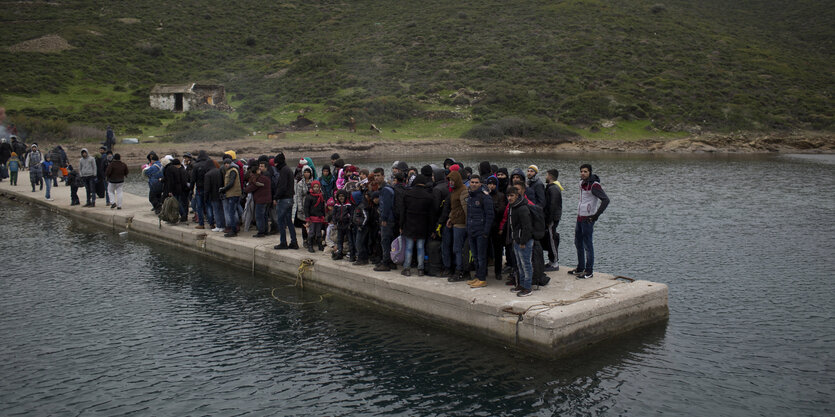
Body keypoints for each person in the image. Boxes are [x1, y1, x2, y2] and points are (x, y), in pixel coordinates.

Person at [570, 164, 610, 279]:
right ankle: (580, 267)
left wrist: (596, 215)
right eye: (581, 171)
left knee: (588, 245)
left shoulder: (594, 185)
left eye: (585, 172)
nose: (583, 173)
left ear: (590, 172)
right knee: (578, 243)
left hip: (588, 219)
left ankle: (589, 271)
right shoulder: (581, 183)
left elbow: (606, 200)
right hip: (579, 217)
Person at [399, 175, 434, 276]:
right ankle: (420, 269)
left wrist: (401, 225)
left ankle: (407, 268)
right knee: (420, 247)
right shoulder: (428, 196)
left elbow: (402, 212)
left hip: (409, 223)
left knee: (409, 247)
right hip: (423, 225)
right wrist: (432, 229)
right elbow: (431, 215)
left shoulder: (407, 194)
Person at [464, 174, 494, 288]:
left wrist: (485, 232)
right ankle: (477, 276)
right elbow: (469, 215)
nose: (474, 184)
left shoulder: (485, 197)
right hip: (471, 230)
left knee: (481, 257)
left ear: (480, 184)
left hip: (481, 231)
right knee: (475, 256)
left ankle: (482, 279)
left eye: (476, 182)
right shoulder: (470, 196)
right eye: (472, 182)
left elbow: (490, 215)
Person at [506, 186, 534, 297]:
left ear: (517, 195)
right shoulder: (513, 207)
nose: (509, 198)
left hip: (524, 242)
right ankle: (521, 284)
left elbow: (527, 227)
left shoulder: (522, 208)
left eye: (511, 195)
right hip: (516, 240)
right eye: (508, 196)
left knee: (526, 265)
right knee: (519, 265)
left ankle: (528, 287)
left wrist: (523, 241)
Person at [445, 170, 468, 281]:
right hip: (456, 222)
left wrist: (468, 224)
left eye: (452, 180)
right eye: (449, 180)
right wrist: (450, 218)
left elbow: (466, 209)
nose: (451, 182)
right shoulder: (454, 191)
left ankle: (459, 271)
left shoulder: (463, 191)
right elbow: (455, 208)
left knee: (458, 249)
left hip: (461, 224)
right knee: (458, 249)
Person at [272, 152, 298, 250]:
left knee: (281, 222)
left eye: (275, 163)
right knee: (289, 222)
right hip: (290, 199)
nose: (275, 165)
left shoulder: (283, 171)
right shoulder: (288, 170)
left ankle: (283, 242)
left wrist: (275, 197)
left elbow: (282, 187)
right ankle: (294, 242)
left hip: (283, 200)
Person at [486, 175, 507, 281]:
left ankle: (498, 272)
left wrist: (490, 206)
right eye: (489, 184)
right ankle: (483, 271)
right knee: (484, 249)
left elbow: (501, 211)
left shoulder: (501, 196)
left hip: (496, 226)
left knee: (498, 251)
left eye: (493, 184)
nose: (491, 186)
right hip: (486, 227)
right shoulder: (484, 195)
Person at [543, 169, 564, 271]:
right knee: (550, 238)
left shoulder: (553, 189)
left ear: (550, 176)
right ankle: (551, 261)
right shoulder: (552, 187)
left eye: (546, 175)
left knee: (552, 239)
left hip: (552, 218)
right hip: (552, 217)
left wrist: (548, 220)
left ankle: (555, 263)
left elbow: (553, 205)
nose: (545, 177)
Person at [244, 164, 271, 238]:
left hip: (260, 200)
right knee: (265, 216)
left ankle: (261, 232)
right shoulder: (266, 178)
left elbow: (249, 189)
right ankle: (265, 231)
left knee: (259, 216)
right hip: (268, 199)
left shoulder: (257, 180)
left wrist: (246, 188)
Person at [219, 158, 242, 237]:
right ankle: (234, 228)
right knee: (233, 211)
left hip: (233, 194)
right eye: (224, 163)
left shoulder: (232, 170)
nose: (226, 164)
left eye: (227, 163)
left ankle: (233, 230)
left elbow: (231, 183)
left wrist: (223, 189)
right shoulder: (230, 170)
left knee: (231, 212)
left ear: (230, 163)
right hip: (232, 194)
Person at [303, 180, 327, 252]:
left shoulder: (321, 196)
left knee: (319, 232)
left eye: (317, 187)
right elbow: (306, 208)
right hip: (312, 218)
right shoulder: (309, 197)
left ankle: (320, 245)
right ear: (312, 187)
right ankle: (310, 245)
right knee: (312, 232)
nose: (316, 188)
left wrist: (323, 215)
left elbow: (323, 207)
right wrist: (307, 218)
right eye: (314, 187)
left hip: (319, 217)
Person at [163, 158, 189, 222]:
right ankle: (184, 216)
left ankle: (183, 215)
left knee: (178, 203)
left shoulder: (173, 170)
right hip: (181, 189)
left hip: (178, 190)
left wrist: (170, 191)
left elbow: (171, 182)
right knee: (182, 203)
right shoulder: (182, 170)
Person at [330, 189, 354, 260]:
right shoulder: (336, 205)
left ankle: (352, 255)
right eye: (339, 196)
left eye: (342, 196)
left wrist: (350, 223)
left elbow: (352, 215)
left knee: (350, 240)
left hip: (347, 225)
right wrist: (335, 223)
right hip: (339, 225)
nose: (341, 198)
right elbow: (333, 215)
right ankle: (339, 253)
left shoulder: (348, 205)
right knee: (339, 240)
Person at [204, 161, 226, 232]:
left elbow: (207, 188)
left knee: (216, 211)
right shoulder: (219, 171)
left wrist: (205, 197)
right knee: (221, 211)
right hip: (221, 194)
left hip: (213, 195)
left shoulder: (207, 174)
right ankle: (223, 226)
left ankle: (219, 226)